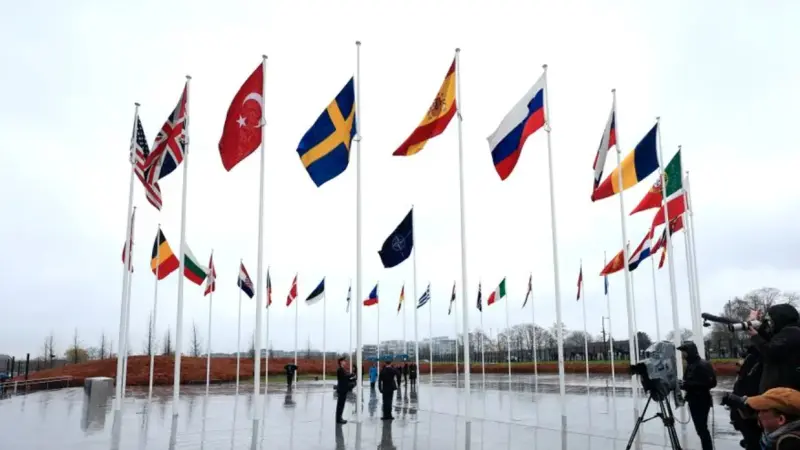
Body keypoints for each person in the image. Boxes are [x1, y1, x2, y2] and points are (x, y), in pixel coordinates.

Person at [748, 304, 800, 392]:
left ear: (779, 319)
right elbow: (769, 341)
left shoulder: (790, 334)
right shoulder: (789, 332)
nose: (770, 323)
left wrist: (755, 337)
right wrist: (757, 326)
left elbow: (770, 352)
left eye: (771, 320)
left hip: (782, 393)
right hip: (783, 391)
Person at [678, 341, 717, 450]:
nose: (682, 354)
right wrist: (682, 385)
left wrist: (688, 384)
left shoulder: (702, 364)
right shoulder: (691, 364)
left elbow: (712, 383)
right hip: (694, 400)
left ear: (689, 351)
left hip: (701, 401)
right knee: (701, 430)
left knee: (702, 429)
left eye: (684, 352)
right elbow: (690, 381)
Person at [732, 345, 765, 450]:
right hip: (746, 410)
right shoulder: (751, 359)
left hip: (751, 411)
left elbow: (746, 386)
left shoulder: (756, 360)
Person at [335, 357, 350, 424]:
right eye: (344, 361)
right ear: (341, 362)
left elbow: (346, 377)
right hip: (341, 389)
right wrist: (351, 375)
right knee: (340, 405)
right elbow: (345, 377)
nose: (345, 362)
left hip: (343, 389)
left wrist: (351, 376)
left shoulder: (342, 369)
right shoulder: (340, 370)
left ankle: (340, 418)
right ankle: (338, 419)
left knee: (341, 405)